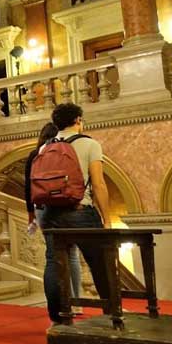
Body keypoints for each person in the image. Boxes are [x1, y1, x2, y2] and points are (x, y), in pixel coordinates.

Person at [39, 103, 111, 325]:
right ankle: (112, 311)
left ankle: (58, 318)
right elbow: (98, 184)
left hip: (51, 213)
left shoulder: (45, 147)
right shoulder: (89, 144)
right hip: (80, 210)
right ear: (78, 120)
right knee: (100, 262)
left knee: (53, 262)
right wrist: (106, 219)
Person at [25, 122, 83, 312]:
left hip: (43, 207)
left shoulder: (35, 155)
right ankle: (76, 302)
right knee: (72, 255)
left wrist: (30, 213)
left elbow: (29, 186)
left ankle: (56, 305)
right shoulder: (67, 150)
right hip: (67, 204)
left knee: (52, 255)